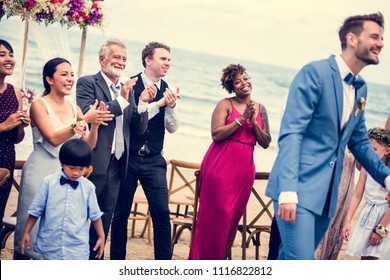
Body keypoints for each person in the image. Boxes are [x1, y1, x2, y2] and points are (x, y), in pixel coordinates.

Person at [265, 12, 390, 260]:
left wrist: (387, 178)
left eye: (382, 38)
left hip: (325, 199)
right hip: (297, 190)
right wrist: (288, 189)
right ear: (352, 38)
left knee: (287, 261)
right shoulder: (314, 73)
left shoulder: (360, 88)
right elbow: (292, 133)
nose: (381, 43)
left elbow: (359, 142)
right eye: (375, 36)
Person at [14, 57, 110, 260]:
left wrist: (94, 125)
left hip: (67, 173)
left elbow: (87, 146)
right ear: (49, 79)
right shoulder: (39, 105)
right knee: (32, 225)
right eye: (64, 74)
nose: (70, 79)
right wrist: (84, 119)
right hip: (41, 169)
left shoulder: (75, 109)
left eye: (72, 74)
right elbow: (53, 138)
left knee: (59, 224)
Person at [76, 39, 154, 260]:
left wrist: (143, 103)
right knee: (81, 218)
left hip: (119, 166)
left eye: (124, 59)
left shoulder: (128, 89)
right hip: (93, 162)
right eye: (116, 57)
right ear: (102, 59)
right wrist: (121, 100)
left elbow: (138, 129)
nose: (121, 62)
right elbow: (88, 114)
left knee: (104, 221)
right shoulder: (87, 83)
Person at [189, 63, 271, 260]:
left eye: (245, 78)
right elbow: (216, 134)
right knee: (218, 215)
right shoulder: (225, 104)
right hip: (220, 167)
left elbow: (266, 142)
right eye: (237, 82)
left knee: (232, 220)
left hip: (243, 171)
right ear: (231, 87)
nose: (243, 83)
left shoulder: (261, 108)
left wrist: (252, 122)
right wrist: (242, 119)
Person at [110, 41, 180, 260]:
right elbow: (130, 122)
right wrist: (155, 104)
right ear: (148, 60)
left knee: (162, 214)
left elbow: (172, 128)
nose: (167, 63)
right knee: (120, 213)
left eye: (169, 59)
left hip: (154, 160)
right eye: (163, 58)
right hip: (128, 158)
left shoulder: (167, 89)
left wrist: (171, 107)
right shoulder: (129, 84)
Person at [20, 139, 104, 260]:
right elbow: (36, 210)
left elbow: (95, 215)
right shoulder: (48, 182)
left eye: (81, 169)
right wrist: (26, 232)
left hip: (77, 248)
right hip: (50, 245)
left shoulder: (88, 187)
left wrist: (101, 236)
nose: (76, 173)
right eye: (71, 168)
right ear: (61, 163)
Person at [342, 128, 390, 260]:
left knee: (378, 256)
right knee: (365, 257)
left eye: (374, 150)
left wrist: (381, 230)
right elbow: (357, 194)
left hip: (385, 219)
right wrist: (347, 221)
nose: (370, 153)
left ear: (387, 151)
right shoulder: (366, 165)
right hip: (368, 215)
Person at [0, 39, 30, 227]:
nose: (9, 59)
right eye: (2, 55)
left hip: (7, 157)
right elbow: (5, 127)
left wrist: (21, 126)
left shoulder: (16, 92)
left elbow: (18, 139)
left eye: (11, 54)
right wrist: (4, 125)